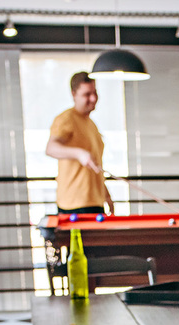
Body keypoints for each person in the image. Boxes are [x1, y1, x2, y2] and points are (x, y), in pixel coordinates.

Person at [46, 72, 114, 217]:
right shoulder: (66, 119)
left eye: (95, 93)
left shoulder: (91, 124)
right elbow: (51, 148)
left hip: (95, 203)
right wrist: (79, 153)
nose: (93, 98)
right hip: (74, 205)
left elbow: (95, 167)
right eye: (87, 94)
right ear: (74, 94)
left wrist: (106, 195)